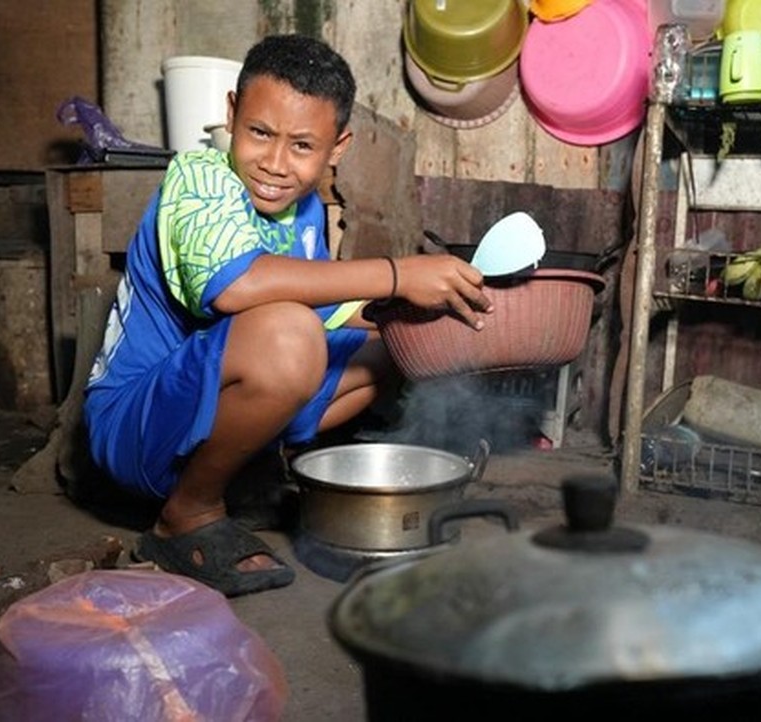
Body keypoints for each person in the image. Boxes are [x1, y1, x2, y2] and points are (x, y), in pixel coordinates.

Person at [83, 34, 491, 596]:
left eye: (302, 145)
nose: (275, 164)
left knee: (395, 348)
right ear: (231, 115)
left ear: (337, 148)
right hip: (133, 427)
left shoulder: (304, 212)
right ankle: (188, 512)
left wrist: (427, 308)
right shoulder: (199, 177)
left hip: (199, 409)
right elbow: (235, 285)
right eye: (259, 133)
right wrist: (398, 274)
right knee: (289, 338)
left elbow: (331, 310)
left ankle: (244, 464)